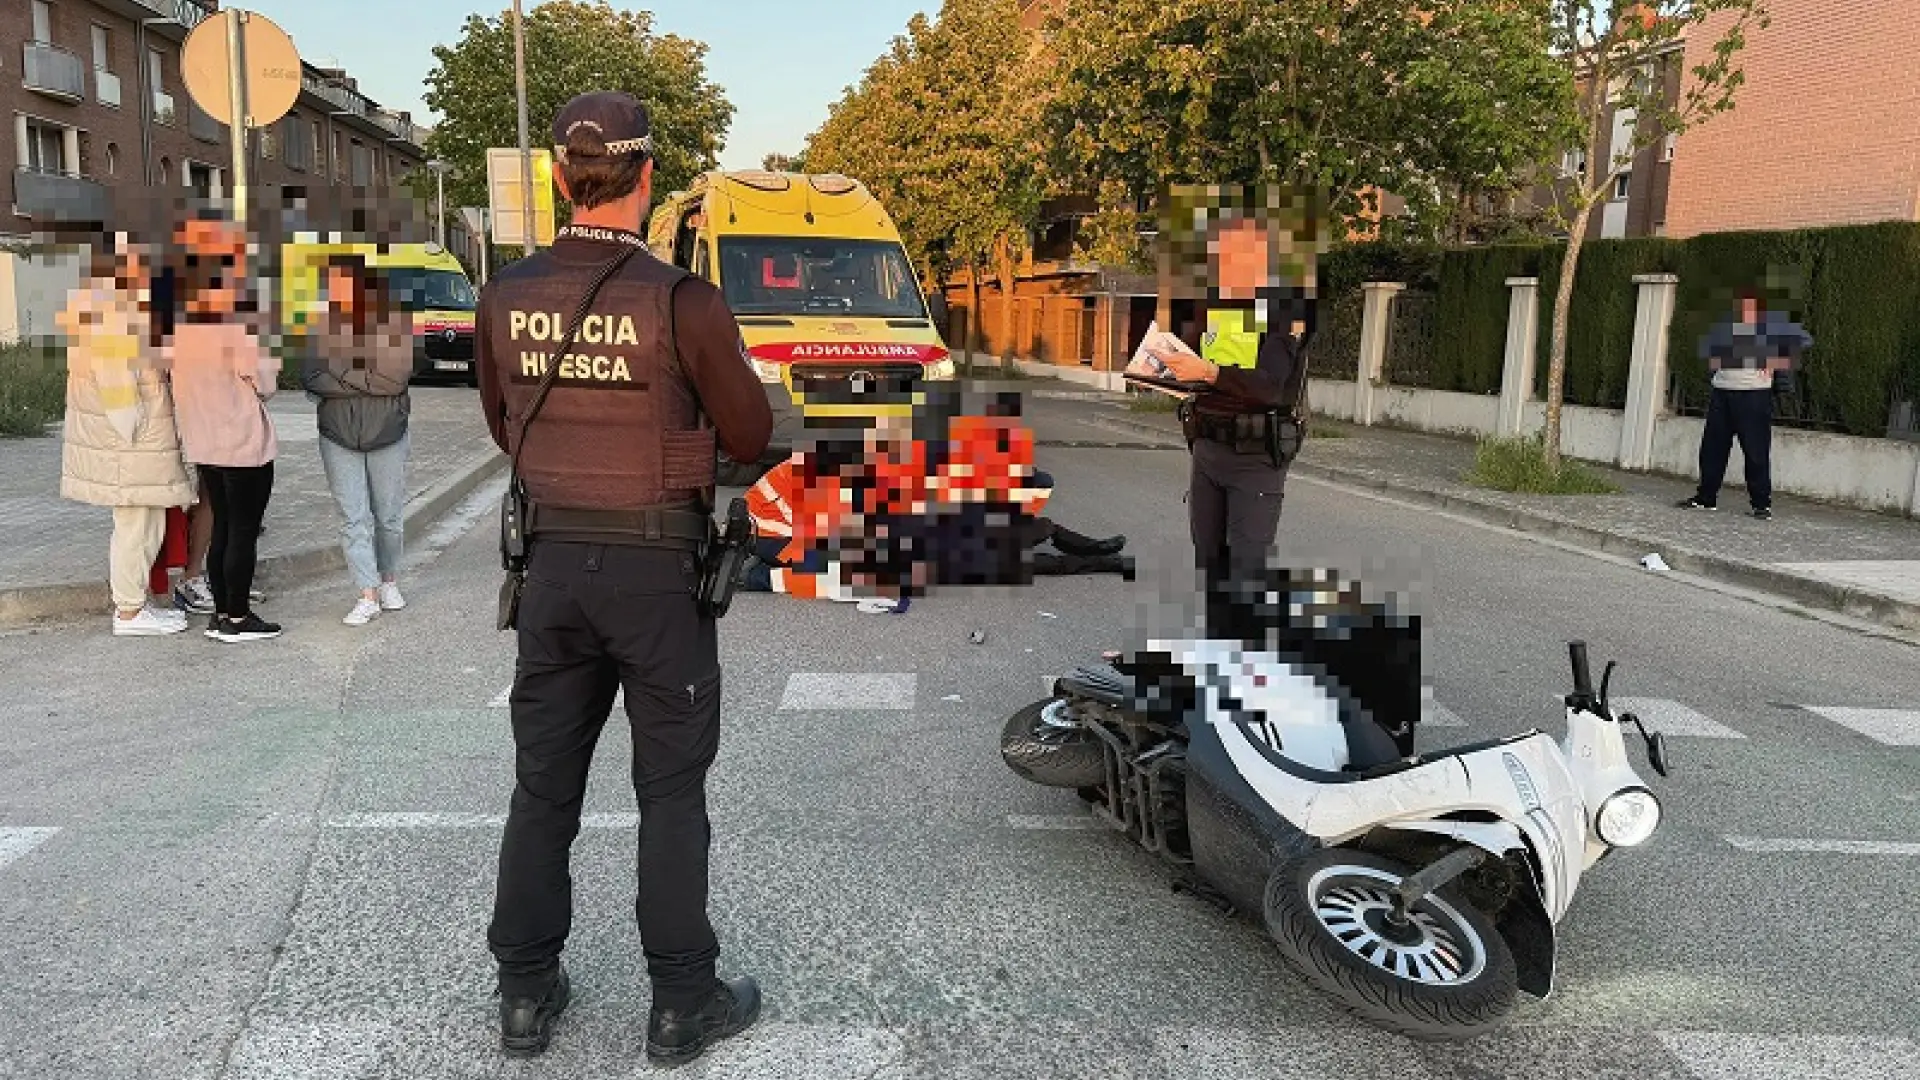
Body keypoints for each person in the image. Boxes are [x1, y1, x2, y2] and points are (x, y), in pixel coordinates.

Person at [474, 92, 773, 1064]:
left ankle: (523, 994)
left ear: (560, 179)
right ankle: (682, 1005)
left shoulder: (505, 295)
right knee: (671, 794)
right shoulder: (681, 301)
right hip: (658, 578)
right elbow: (752, 436)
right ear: (647, 182)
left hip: (551, 570)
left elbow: (502, 426)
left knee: (542, 789)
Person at [1145, 208, 1315, 610]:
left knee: (1246, 571)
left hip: (1253, 456)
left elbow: (1270, 386)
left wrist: (1207, 370)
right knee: (1209, 563)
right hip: (1207, 447)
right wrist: (1159, 369)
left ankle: (1246, 662)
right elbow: (1191, 365)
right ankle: (1217, 654)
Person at [56, 236, 197, 636]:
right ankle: (130, 612)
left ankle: (136, 605)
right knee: (136, 525)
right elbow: (116, 384)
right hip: (131, 443)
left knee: (145, 524)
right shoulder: (109, 312)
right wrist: (133, 431)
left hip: (136, 442)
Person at [165, 215, 283, 643]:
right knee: (243, 531)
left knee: (222, 528)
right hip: (242, 441)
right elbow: (266, 380)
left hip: (203, 440)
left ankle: (220, 613)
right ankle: (237, 616)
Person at [303, 254, 415, 625]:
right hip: (337, 434)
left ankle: (388, 580)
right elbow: (312, 377)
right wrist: (366, 377)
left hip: (387, 430)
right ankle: (366, 592)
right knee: (351, 517)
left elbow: (395, 378)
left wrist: (344, 375)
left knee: (388, 516)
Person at [1677, 290, 1810, 520]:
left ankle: (1761, 504)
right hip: (1722, 393)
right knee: (1712, 450)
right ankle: (1706, 498)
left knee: (1755, 451)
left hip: (1754, 395)